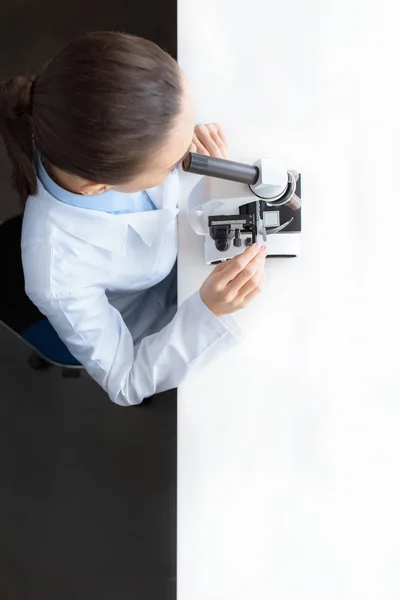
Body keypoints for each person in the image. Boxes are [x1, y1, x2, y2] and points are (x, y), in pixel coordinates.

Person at [0, 31, 266, 406]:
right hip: (154, 310)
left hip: (185, 256)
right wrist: (207, 312)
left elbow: (164, 125)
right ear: (99, 186)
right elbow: (125, 382)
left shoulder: (113, 119)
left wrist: (190, 134)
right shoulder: (57, 272)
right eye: (175, 162)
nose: (186, 158)